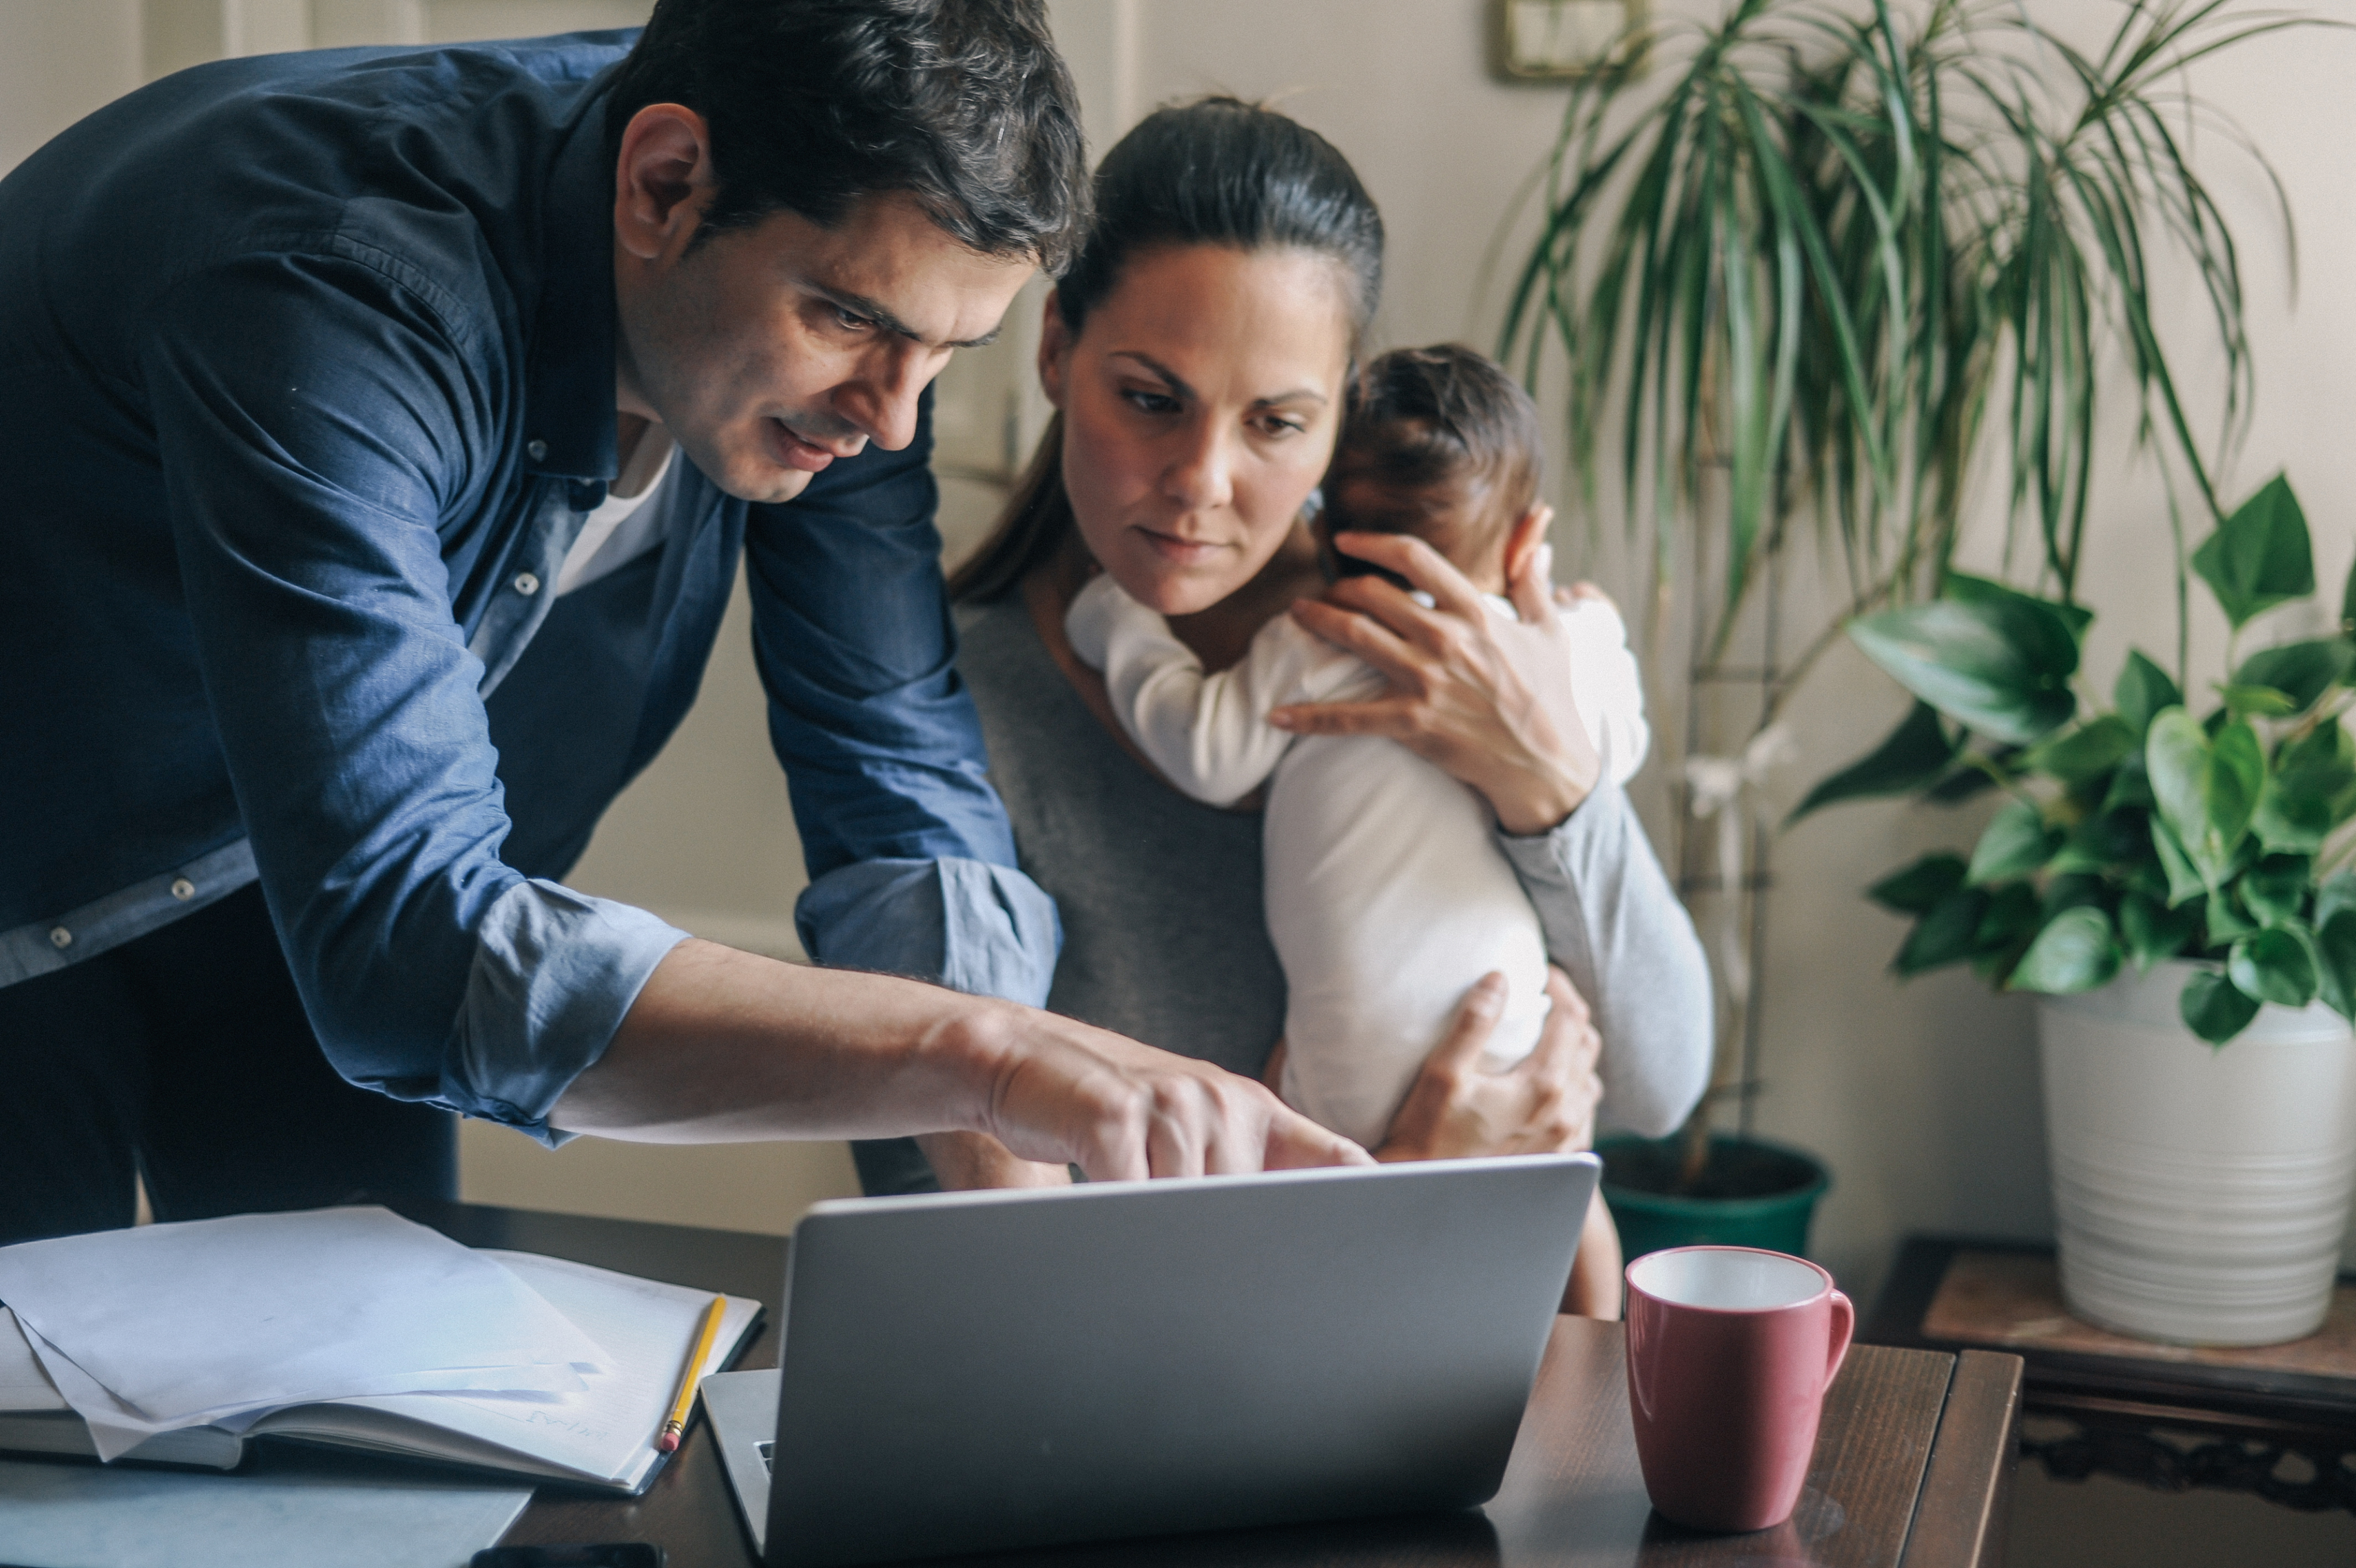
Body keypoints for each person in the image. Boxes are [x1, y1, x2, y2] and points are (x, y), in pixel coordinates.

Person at [0, 2, 1366, 1248]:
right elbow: (411, 945)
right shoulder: (336, 284)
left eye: (944, 356)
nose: (892, 419)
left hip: (300, 897)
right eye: (849, 323)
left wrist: (1032, 1237)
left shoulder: (856, 278)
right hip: (33, 868)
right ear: (662, 185)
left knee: (342, 1439)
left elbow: (887, 767)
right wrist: (998, 1060)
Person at [888, 98, 1715, 1315]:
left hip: (1472, 1388)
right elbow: (1001, 1271)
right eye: (1152, 398)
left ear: (1339, 420)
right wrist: (1388, 1192)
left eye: (1277, 421)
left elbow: (1658, 1087)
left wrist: (1553, 787)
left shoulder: (1440, 658)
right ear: (1055, 346)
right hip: (1134, 1428)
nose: (1201, 484)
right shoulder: (936, 718)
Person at [1064, 343, 1651, 1150]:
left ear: (1321, 520)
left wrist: (1119, 624)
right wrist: (1602, 633)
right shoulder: (1553, 659)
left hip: (1339, 1073)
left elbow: (1206, 750)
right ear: (1527, 543)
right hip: (1508, 1029)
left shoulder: (1315, 642)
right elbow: (1620, 751)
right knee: (1562, 1183)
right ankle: (1604, 1280)